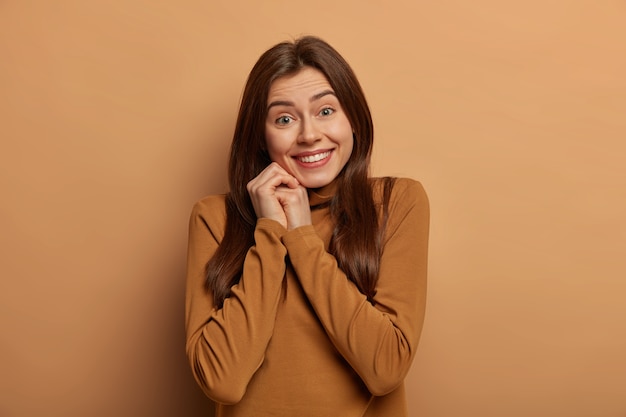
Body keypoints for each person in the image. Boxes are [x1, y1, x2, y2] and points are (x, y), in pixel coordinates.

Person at [185, 35, 429, 417]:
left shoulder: (396, 203)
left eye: (326, 111)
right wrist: (269, 229)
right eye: (284, 118)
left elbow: (386, 369)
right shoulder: (214, 218)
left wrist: (301, 237)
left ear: (354, 120)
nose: (309, 134)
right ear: (261, 138)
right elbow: (222, 381)